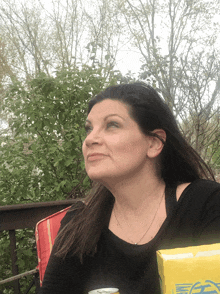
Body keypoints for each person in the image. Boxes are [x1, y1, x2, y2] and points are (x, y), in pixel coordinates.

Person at [40, 83, 220, 294]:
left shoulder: (205, 205)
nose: (90, 139)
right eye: (89, 128)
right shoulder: (79, 222)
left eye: (112, 125)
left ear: (153, 144)